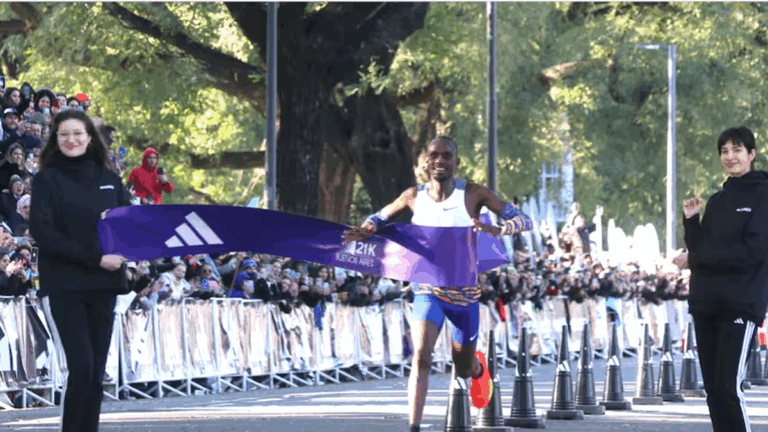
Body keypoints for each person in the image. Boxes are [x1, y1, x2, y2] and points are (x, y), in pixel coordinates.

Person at [342, 136, 532, 432]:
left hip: (465, 293)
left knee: (463, 367)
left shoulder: (472, 193)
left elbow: (523, 219)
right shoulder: (412, 196)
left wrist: (501, 228)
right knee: (421, 355)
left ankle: (479, 369)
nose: (440, 160)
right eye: (434, 155)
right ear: (425, 162)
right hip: (427, 290)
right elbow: (378, 217)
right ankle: (414, 427)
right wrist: (367, 229)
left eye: (447, 156)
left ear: (456, 162)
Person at [29, 109, 129, 432]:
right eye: (64, 135)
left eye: (77, 133)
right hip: (64, 286)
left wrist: (122, 239)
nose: (71, 140)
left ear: (90, 137)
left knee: (96, 374)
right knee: (82, 367)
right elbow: (44, 233)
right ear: (55, 141)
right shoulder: (45, 180)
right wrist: (96, 256)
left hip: (104, 286)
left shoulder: (111, 180)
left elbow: (130, 228)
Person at [674, 125, 768, 432]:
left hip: (740, 304)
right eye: (724, 152)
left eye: (737, 150)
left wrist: (695, 259)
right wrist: (690, 222)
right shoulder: (717, 199)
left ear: (752, 154)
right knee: (713, 391)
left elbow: (751, 253)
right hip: (706, 303)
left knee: (729, 387)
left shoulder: (763, 195)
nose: (730, 157)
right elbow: (700, 249)